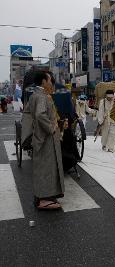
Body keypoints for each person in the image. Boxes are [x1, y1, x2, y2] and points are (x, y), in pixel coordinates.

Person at [28, 71, 64, 209]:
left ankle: (44, 197)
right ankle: (43, 200)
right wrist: (52, 128)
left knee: (45, 167)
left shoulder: (35, 95)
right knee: (46, 168)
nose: (51, 83)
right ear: (43, 82)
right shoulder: (42, 96)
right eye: (49, 80)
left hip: (40, 136)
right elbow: (40, 115)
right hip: (45, 138)